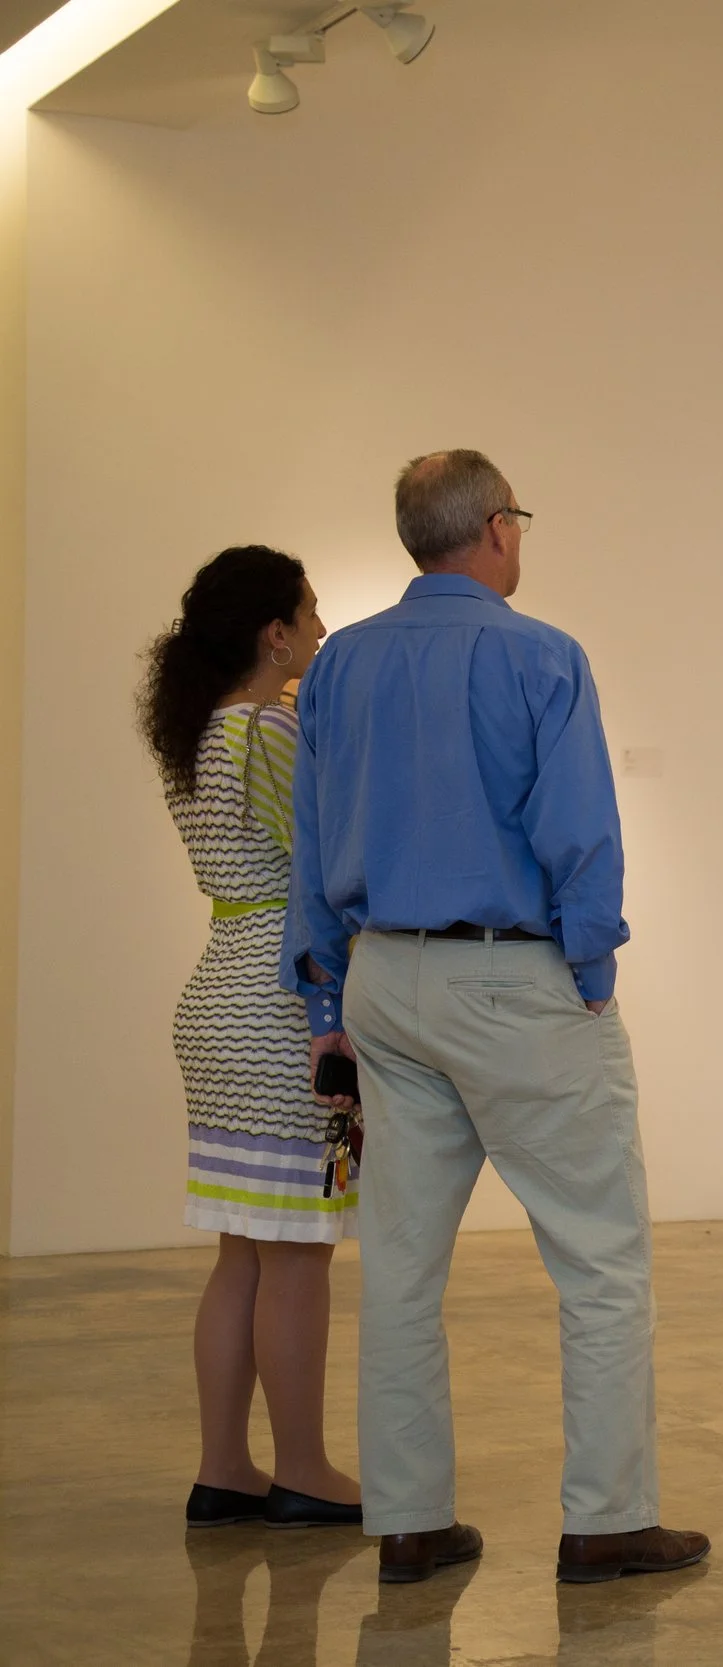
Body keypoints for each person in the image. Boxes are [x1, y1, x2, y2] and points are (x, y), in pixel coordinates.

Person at [283, 450, 707, 1586]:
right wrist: (592, 967)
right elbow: (579, 829)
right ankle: (607, 1519)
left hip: (383, 979)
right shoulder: (543, 657)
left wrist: (324, 994)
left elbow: (314, 845)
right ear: (496, 529)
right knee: (601, 1258)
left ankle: (408, 1522)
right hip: (513, 977)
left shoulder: (338, 666)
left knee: (400, 1267)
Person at [141, 545, 364, 1532]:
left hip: (218, 996)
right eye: (309, 612)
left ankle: (224, 1467)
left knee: (243, 1251)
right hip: (280, 1007)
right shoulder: (269, 729)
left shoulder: (199, 733)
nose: (320, 628)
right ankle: (304, 1467)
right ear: (274, 632)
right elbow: (320, 867)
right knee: (299, 1254)